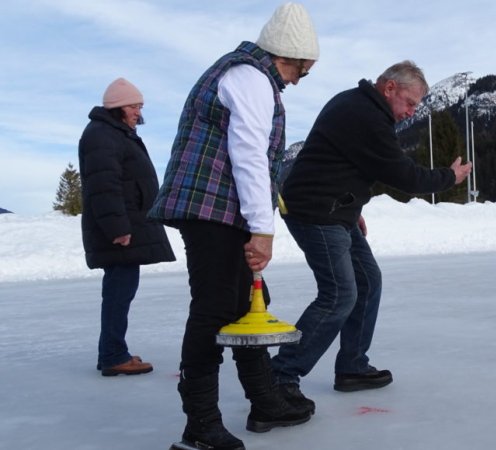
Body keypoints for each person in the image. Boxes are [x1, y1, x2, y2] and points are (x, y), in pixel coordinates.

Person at [148, 3, 319, 449]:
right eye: (305, 69)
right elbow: (247, 154)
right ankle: (200, 426)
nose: (301, 79)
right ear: (290, 57)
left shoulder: (245, 74)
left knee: (250, 303)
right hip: (212, 210)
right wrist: (263, 228)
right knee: (215, 310)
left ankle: (265, 400)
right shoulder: (250, 78)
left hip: (221, 208)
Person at [271, 61, 472, 409]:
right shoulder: (364, 114)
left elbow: (343, 164)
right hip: (316, 211)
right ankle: (279, 377)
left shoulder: (360, 106)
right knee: (338, 294)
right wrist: (448, 178)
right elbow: (402, 174)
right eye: (409, 103)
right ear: (390, 88)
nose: (411, 113)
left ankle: (352, 366)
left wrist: (353, 208)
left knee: (367, 281)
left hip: (336, 210)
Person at [78, 77, 176, 377]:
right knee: (119, 292)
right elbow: (103, 187)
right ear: (118, 107)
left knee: (121, 290)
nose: (138, 112)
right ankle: (112, 355)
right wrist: (118, 228)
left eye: (140, 106)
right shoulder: (102, 135)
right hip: (119, 231)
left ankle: (112, 351)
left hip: (126, 226)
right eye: (134, 106)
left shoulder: (115, 133)